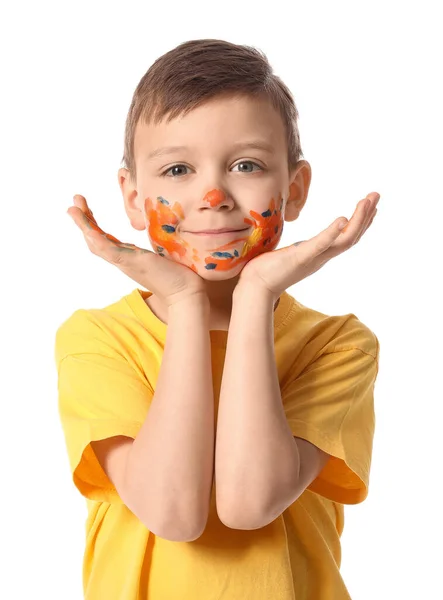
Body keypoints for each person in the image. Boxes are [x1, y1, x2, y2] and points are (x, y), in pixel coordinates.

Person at [54, 38, 380, 600]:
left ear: (294, 190)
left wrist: (255, 296)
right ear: (133, 199)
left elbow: (248, 503)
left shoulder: (337, 346)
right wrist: (185, 305)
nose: (213, 195)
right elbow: (173, 512)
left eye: (246, 165)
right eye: (178, 168)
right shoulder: (98, 341)